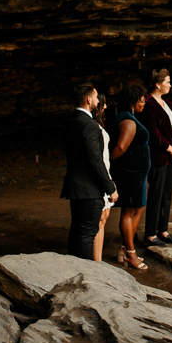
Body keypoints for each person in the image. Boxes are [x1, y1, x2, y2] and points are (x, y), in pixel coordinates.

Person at [61, 82, 118, 260]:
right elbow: (95, 161)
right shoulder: (90, 126)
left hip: (75, 188)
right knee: (86, 236)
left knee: (77, 233)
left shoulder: (71, 121)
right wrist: (110, 188)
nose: (96, 100)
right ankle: (86, 278)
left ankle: (73, 269)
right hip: (89, 190)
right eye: (95, 97)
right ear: (88, 100)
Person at [109, 84, 151, 271]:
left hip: (138, 174)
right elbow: (119, 148)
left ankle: (126, 248)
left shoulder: (130, 118)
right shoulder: (128, 121)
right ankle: (130, 254)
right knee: (129, 211)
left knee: (139, 208)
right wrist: (106, 165)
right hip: (130, 174)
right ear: (133, 101)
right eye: (142, 99)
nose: (144, 102)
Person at [142, 69, 172, 249]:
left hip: (171, 155)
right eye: (167, 81)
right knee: (156, 195)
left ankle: (163, 230)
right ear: (158, 84)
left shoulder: (167, 103)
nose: (170, 85)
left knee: (167, 194)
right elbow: (153, 133)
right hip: (159, 156)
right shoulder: (148, 104)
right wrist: (170, 148)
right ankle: (150, 234)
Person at [92, 94, 114, 263]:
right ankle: (96, 261)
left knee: (104, 218)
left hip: (106, 172)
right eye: (103, 104)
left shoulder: (98, 125)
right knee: (99, 219)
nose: (105, 108)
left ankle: (98, 261)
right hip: (100, 177)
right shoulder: (92, 126)